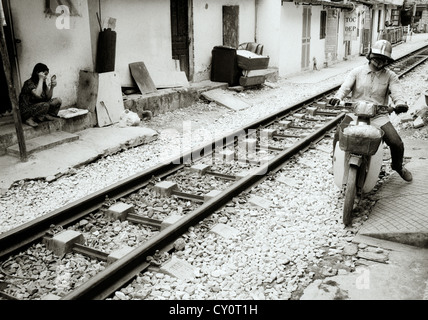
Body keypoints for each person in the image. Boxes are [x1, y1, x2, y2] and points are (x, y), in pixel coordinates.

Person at [329, 39, 412, 182]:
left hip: (378, 116)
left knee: (396, 142)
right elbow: (345, 87)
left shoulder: (390, 76)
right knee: (339, 134)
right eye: (377, 57)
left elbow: (397, 92)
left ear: (388, 61)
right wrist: (338, 97)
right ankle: (334, 162)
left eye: (384, 59)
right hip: (356, 113)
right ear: (370, 55)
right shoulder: (357, 72)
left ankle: (397, 166)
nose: (380, 61)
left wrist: (400, 103)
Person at [19, 63, 62, 128]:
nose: (46, 77)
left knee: (58, 100)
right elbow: (37, 94)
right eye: (45, 74)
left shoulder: (43, 83)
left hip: (39, 107)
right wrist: (41, 79)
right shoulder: (29, 83)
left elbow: (48, 97)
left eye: (46, 75)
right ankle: (29, 119)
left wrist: (52, 87)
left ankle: (45, 115)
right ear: (38, 73)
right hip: (27, 111)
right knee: (45, 105)